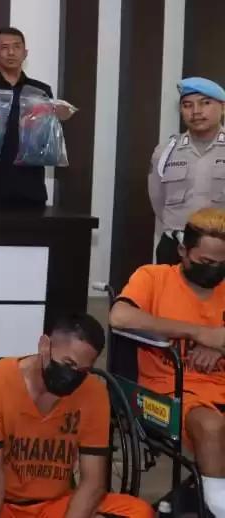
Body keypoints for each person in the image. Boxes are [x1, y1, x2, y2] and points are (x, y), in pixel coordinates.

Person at [0, 314, 153, 518]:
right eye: (68, 363)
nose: (72, 376)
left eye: (83, 370)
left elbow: (93, 482)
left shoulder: (93, 392)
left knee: (139, 511)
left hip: (57, 505)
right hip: (4, 503)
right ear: (44, 346)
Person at [109, 207, 225, 518]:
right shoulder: (154, 277)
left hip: (219, 385)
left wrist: (220, 346)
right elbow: (119, 316)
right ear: (183, 251)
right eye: (206, 262)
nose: (215, 270)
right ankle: (218, 506)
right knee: (211, 425)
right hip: (168, 390)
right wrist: (199, 333)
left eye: (222, 264)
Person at [0, 27, 61, 210]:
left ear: (25, 53)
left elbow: (46, 142)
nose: (11, 52)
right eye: (4, 47)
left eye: (17, 47)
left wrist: (57, 121)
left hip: (31, 190)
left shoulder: (41, 91)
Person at [149, 77, 225, 265]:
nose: (196, 111)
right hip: (175, 247)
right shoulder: (165, 151)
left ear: (223, 108)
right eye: (187, 105)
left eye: (205, 103)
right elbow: (157, 200)